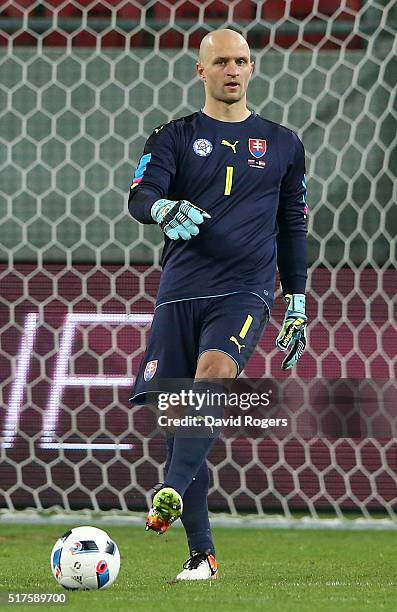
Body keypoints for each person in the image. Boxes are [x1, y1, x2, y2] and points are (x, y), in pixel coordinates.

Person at [128, 28, 308, 581]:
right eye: (222, 62)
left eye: (243, 61)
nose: (234, 70)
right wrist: (161, 210)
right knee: (180, 422)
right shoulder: (173, 136)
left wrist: (296, 301)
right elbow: (141, 193)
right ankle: (202, 554)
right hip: (180, 290)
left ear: (252, 69)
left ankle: (169, 490)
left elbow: (292, 226)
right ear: (201, 71)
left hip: (246, 289)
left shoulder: (283, 143)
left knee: (216, 372)